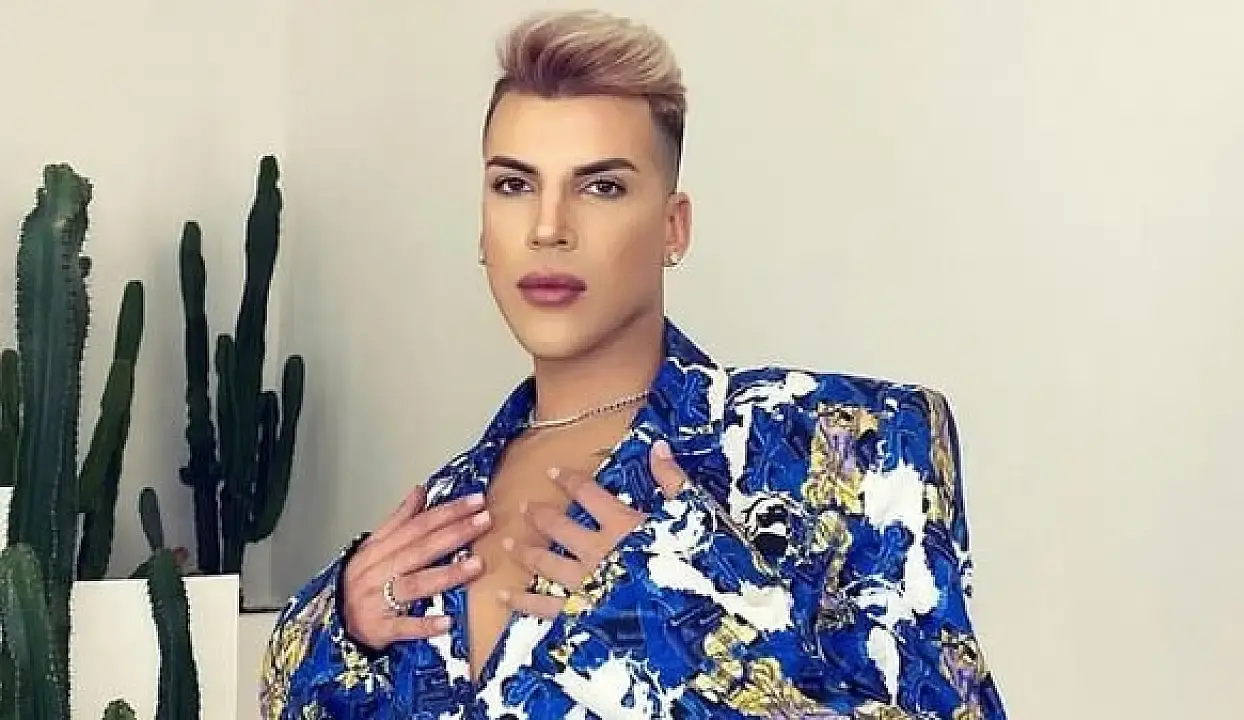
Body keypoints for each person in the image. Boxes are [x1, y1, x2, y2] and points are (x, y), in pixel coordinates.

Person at [258, 9, 1007, 719]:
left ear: (673, 228)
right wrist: (338, 625)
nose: (548, 228)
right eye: (514, 185)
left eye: (602, 187)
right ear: (484, 228)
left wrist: (708, 633)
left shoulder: (851, 443)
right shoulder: (441, 517)